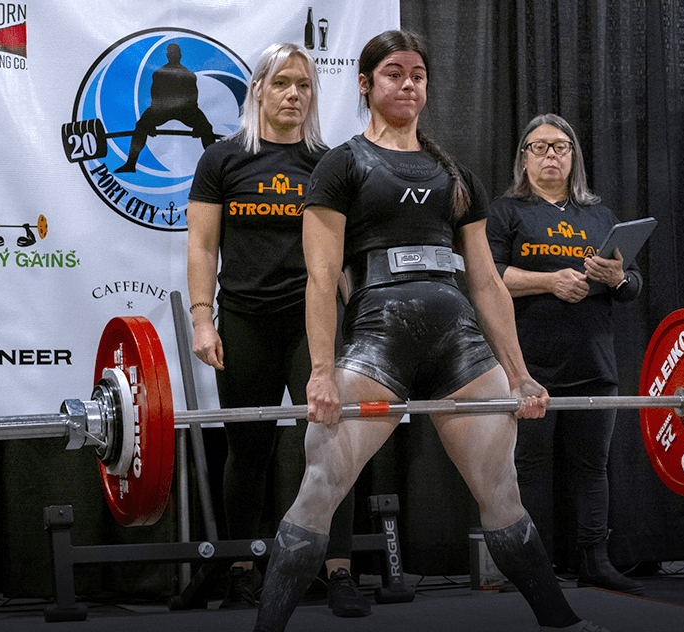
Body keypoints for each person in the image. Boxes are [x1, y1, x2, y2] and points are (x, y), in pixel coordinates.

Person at [252, 31, 609, 632]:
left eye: (417, 75)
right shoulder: (341, 165)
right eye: (393, 73)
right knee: (318, 490)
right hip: (378, 343)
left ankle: (561, 622)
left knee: (503, 495)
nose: (407, 84)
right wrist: (320, 373)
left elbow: (487, 283)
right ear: (365, 84)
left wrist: (520, 375)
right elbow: (320, 277)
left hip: (458, 345)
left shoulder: (454, 173)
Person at [186, 42, 370, 617]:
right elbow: (202, 245)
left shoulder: (329, 164)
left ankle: (338, 571)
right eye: (283, 83)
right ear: (259, 90)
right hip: (245, 320)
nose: (294, 94)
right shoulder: (222, 159)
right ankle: (242, 571)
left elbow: (347, 258)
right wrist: (202, 318)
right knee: (248, 450)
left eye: (304, 85)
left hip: (312, 323)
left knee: (333, 444)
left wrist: (359, 322)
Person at [486, 113, 645, 595]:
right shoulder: (506, 212)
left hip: (593, 363)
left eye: (560, 146)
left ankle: (594, 560)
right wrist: (550, 281)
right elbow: (489, 278)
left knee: (592, 467)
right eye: (539, 147)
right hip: (528, 365)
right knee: (530, 467)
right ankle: (532, 566)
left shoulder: (600, 216)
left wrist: (616, 278)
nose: (550, 155)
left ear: (573, 157)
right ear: (524, 158)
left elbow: (632, 286)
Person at [117, 42, 216, 173]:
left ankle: (216, 166)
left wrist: (199, 125)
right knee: (141, 126)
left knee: (206, 127)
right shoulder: (158, 74)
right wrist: (149, 124)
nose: (173, 55)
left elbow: (193, 97)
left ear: (179, 56)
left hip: (185, 110)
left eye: (175, 53)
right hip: (162, 109)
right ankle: (130, 164)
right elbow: (155, 95)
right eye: (171, 53)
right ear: (168, 56)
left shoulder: (189, 75)